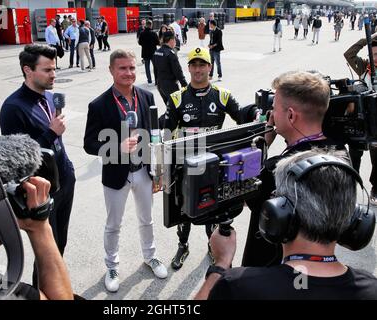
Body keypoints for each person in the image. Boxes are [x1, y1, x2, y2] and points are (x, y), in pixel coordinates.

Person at [195, 149, 377, 300]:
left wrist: (221, 264)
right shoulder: (371, 289)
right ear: (353, 216)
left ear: (280, 213)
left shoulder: (239, 287)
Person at [83, 49, 167, 293]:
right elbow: (89, 144)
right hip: (116, 174)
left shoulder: (146, 97)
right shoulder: (98, 105)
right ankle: (112, 266)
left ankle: (150, 256)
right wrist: (115, 146)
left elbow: (154, 134)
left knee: (147, 219)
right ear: (111, 70)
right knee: (113, 224)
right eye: (122, 68)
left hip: (143, 170)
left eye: (132, 68)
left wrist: (158, 171)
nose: (128, 73)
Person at [241, 71, 345, 267]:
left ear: (290, 115)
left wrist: (263, 144)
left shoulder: (278, 170)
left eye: (274, 108)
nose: (271, 114)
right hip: (318, 266)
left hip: (271, 271)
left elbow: (244, 191)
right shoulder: (340, 152)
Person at [163, 47, 252, 270]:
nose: (198, 69)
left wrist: (259, 113)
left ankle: (213, 248)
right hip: (185, 165)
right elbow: (165, 135)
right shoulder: (176, 98)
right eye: (194, 65)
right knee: (183, 210)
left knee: (211, 207)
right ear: (189, 68)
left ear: (210, 67)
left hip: (212, 165)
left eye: (202, 64)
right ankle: (183, 246)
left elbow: (243, 118)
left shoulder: (223, 96)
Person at [0, 44, 76, 282]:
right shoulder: (13, 108)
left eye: (54, 69)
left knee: (59, 244)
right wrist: (51, 133)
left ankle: (55, 290)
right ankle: (40, 291)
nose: (53, 75)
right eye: (47, 70)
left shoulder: (51, 98)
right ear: (28, 70)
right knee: (46, 251)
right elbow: (18, 161)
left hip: (64, 179)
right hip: (41, 190)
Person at [343, 33, 377, 204]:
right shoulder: (363, 67)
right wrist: (368, 39)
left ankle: (375, 188)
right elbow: (348, 54)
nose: (376, 58)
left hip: (376, 122)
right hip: (360, 119)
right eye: (374, 54)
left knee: (376, 158)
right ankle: (351, 187)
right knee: (354, 155)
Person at [153, 31, 188, 105]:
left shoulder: (157, 52)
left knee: (168, 106)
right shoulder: (170, 54)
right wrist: (185, 85)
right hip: (171, 86)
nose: (175, 42)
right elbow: (178, 71)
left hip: (160, 84)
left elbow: (155, 69)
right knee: (176, 107)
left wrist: (157, 82)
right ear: (171, 40)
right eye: (175, 40)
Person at [138, 20, 160, 86]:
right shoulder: (154, 33)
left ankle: (149, 81)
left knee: (147, 67)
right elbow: (157, 42)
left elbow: (139, 43)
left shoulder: (142, 33)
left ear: (146, 25)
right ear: (151, 25)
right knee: (155, 67)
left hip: (145, 52)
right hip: (153, 52)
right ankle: (156, 81)